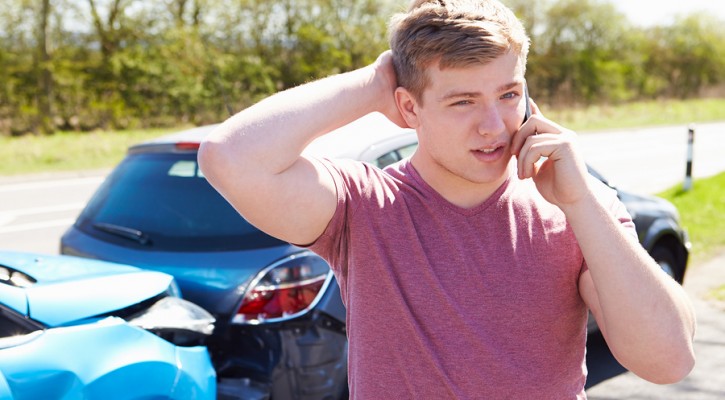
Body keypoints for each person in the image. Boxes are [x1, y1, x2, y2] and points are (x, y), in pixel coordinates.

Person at [198, 0, 696, 397]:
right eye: (463, 102)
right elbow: (228, 157)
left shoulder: (577, 207)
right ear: (408, 107)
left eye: (508, 94)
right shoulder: (363, 204)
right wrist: (375, 83)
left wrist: (583, 202)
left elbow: (669, 361)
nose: (494, 125)